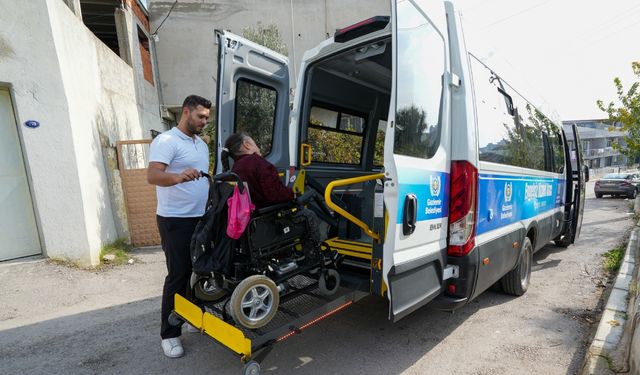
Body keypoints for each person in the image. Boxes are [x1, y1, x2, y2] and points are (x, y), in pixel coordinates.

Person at [147, 94, 211, 358]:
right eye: (201, 116)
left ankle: (191, 317)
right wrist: (177, 177)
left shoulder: (201, 144)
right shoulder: (166, 141)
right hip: (175, 219)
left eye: (207, 117)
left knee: (200, 272)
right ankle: (170, 334)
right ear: (186, 112)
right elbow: (152, 175)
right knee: (178, 274)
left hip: (201, 217)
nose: (205, 122)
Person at [220, 133, 294, 208]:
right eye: (255, 143)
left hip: (247, 216)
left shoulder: (235, 169)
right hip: (267, 215)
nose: (259, 148)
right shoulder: (257, 162)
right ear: (247, 144)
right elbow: (274, 194)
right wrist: (293, 194)